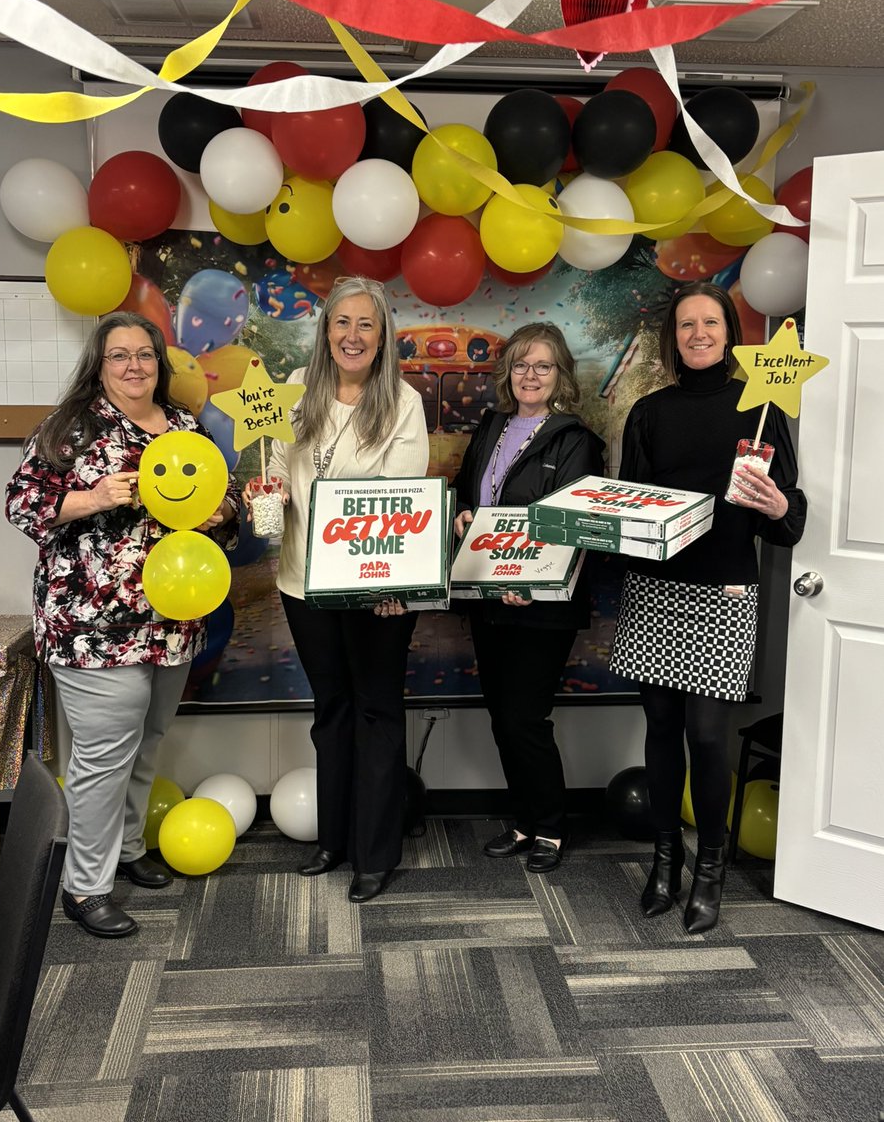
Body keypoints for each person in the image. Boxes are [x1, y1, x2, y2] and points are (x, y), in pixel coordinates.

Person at [5, 311, 239, 939]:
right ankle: (85, 888)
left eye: (145, 354)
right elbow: (22, 505)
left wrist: (222, 511)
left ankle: (129, 850)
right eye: (119, 355)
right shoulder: (69, 430)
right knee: (103, 758)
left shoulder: (185, 426)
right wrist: (94, 498)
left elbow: (224, 497)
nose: (134, 366)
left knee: (149, 741)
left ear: (160, 364)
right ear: (99, 364)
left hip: (170, 621)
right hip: (91, 624)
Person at [609, 282, 806, 933]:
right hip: (656, 592)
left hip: (725, 593)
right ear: (676, 337)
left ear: (729, 332)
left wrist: (779, 507)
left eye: (710, 322)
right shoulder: (650, 412)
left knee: (706, 736)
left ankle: (710, 870)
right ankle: (666, 862)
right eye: (687, 324)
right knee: (661, 730)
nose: (698, 333)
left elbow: (788, 516)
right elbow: (628, 510)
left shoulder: (760, 407)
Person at [247, 276, 429, 903]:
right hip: (302, 582)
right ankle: (336, 838)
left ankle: (375, 855)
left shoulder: (403, 402)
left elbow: (401, 501)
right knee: (332, 711)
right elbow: (277, 464)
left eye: (366, 325)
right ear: (326, 331)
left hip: (376, 588)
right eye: (342, 323)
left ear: (383, 338)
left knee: (377, 709)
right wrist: (267, 491)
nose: (353, 335)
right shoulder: (295, 391)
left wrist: (393, 581)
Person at [452, 322, 604, 872]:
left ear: (560, 373)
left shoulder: (575, 440)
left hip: (544, 605)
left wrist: (533, 581)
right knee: (500, 715)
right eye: (520, 364)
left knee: (525, 719)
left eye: (542, 365)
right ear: (507, 373)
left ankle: (551, 828)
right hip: (488, 595)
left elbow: (571, 525)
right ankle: (521, 821)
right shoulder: (491, 426)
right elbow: (468, 495)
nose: (530, 375)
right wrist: (462, 516)